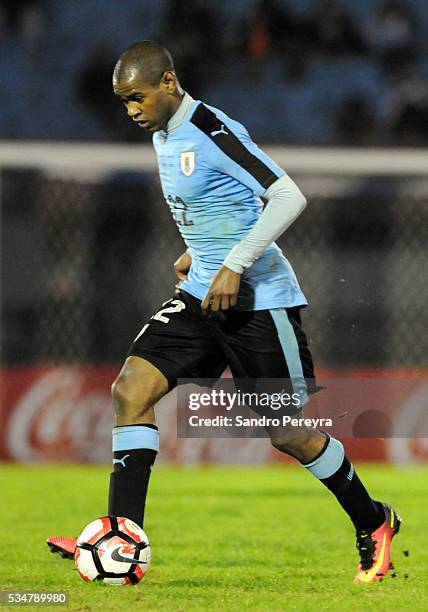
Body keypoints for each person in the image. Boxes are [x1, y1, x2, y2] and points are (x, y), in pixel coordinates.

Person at [47, 41, 401, 583]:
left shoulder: (210, 130)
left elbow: (286, 195)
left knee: (286, 434)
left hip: (258, 302)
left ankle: (373, 520)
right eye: (123, 102)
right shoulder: (164, 135)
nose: (131, 111)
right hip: (199, 296)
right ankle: (121, 536)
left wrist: (233, 263)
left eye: (137, 97)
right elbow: (219, 204)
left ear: (168, 83)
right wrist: (200, 250)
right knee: (131, 391)